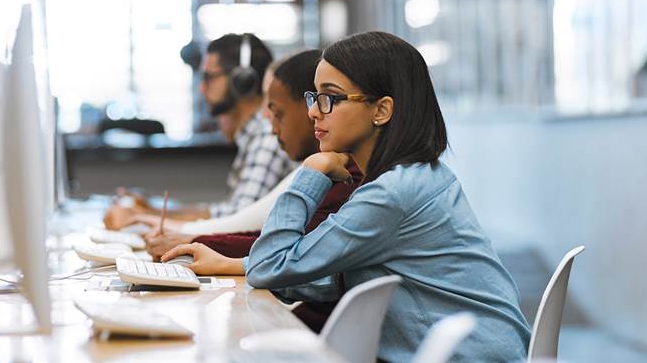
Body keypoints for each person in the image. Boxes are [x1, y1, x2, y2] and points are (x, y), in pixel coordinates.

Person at [162, 31, 531, 361]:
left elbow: (271, 265)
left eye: (330, 98)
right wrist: (230, 265)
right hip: (487, 348)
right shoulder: (414, 177)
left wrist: (311, 172)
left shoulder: (391, 195)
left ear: (382, 110)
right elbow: (336, 274)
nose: (312, 111)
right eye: (315, 96)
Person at [148, 50, 361, 332]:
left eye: (276, 110)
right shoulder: (334, 168)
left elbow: (280, 254)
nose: (315, 112)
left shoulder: (347, 179)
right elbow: (278, 247)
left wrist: (201, 244)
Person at [103, 33, 295, 228]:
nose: (202, 89)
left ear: (241, 81)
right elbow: (227, 211)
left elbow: (236, 222)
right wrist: (151, 210)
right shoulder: (254, 137)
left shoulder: (267, 138)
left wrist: (144, 216)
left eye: (209, 78)